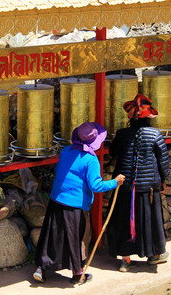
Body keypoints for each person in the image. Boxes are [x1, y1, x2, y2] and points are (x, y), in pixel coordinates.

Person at [33, 122, 125, 285]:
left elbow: (58, 170)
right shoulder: (91, 160)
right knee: (78, 239)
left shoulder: (66, 151)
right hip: (75, 206)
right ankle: (77, 273)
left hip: (56, 200)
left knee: (52, 235)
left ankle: (41, 268)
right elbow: (96, 186)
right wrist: (115, 182)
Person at [107, 93, 170, 272]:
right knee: (149, 220)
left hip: (124, 186)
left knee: (124, 220)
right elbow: (163, 161)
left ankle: (125, 260)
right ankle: (153, 255)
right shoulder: (156, 134)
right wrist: (164, 180)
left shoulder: (121, 134)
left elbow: (113, 152)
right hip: (148, 187)